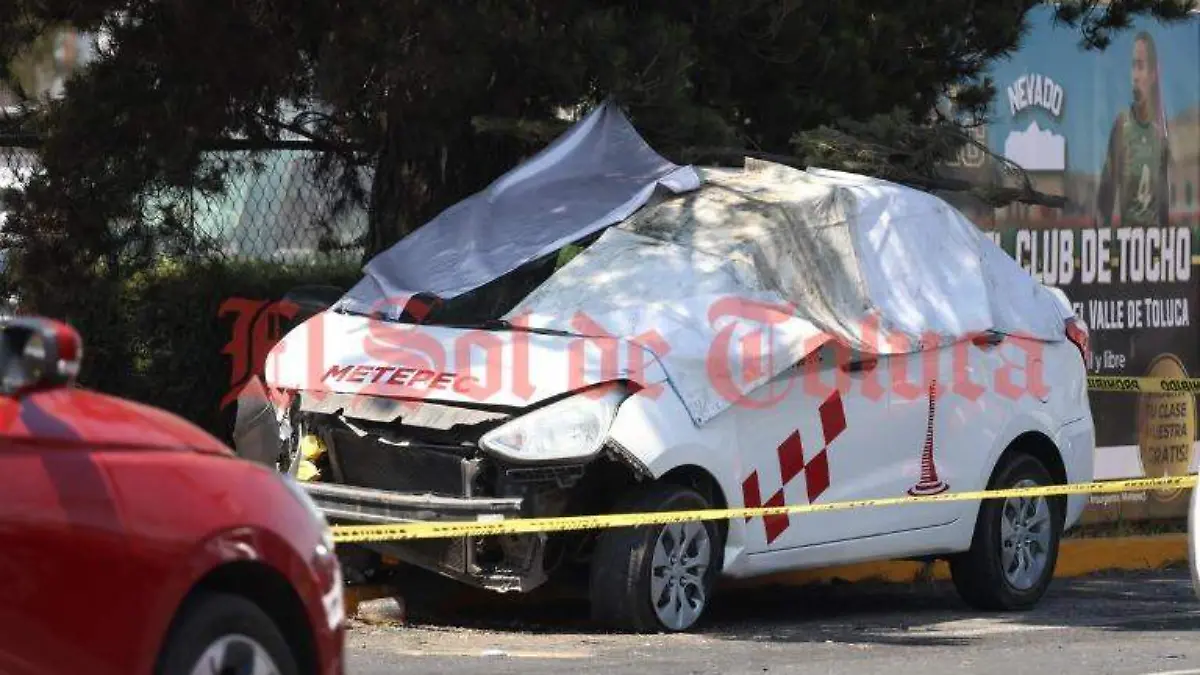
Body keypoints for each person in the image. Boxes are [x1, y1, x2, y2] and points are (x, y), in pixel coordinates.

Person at [1096, 31, 1171, 229]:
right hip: (1128, 241)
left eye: (1140, 66)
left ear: (1153, 74)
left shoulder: (1161, 132)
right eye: (1133, 67)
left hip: (1156, 244)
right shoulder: (1122, 126)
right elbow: (1104, 200)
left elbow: (1164, 202)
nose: (1135, 76)